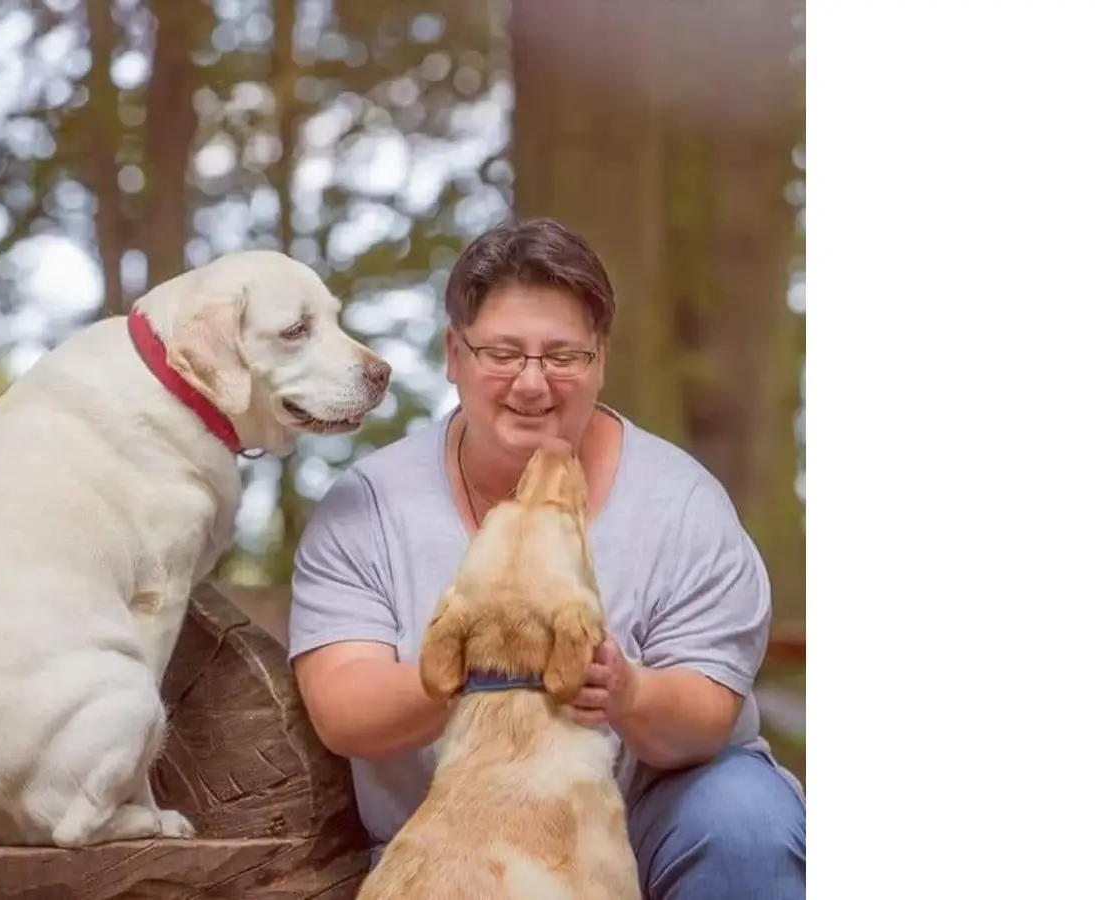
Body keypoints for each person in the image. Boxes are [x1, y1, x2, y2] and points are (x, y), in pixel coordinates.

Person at [286, 217, 806, 899]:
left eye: (564, 356)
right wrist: (490, 659)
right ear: (453, 353)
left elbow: (708, 710)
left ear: (601, 360)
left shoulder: (683, 505)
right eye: (502, 352)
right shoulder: (368, 508)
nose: (532, 384)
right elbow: (343, 708)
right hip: (447, 837)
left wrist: (627, 689)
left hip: (639, 820)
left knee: (745, 819)